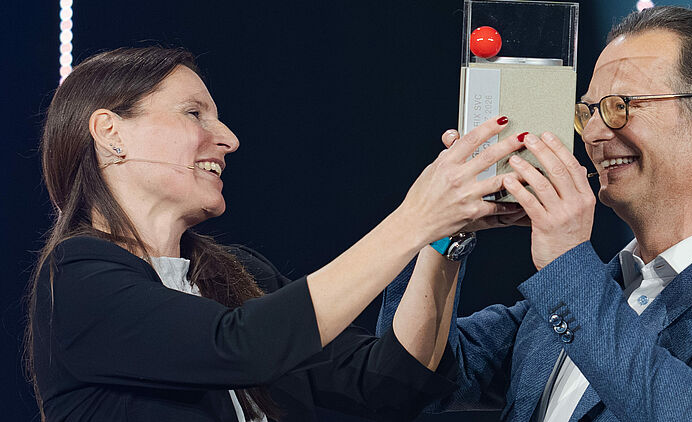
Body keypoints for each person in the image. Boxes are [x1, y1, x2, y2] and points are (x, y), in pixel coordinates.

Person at [378, 6, 692, 421]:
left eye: (621, 107)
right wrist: (446, 233)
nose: (593, 133)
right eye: (587, 111)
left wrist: (565, 262)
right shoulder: (574, 297)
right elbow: (411, 383)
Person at [25, 46, 530, 421]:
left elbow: (384, 383)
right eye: (194, 113)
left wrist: (444, 236)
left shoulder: (234, 277)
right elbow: (241, 346)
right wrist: (416, 215)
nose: (228, 138)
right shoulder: (75, 280)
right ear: (110, 132)